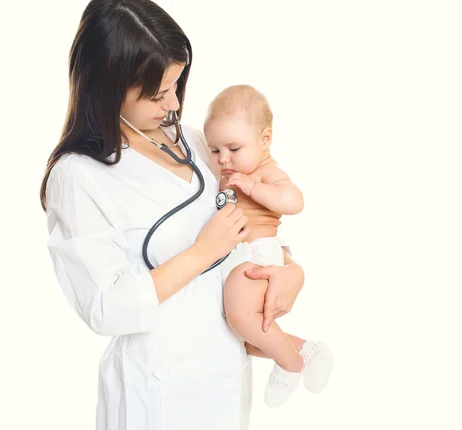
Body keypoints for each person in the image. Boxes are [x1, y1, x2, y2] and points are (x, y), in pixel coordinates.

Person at [40, 1, 305, 429]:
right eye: (156, 93)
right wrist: (201, 253)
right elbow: (104, 308)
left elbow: (248, 223)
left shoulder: (197, 143)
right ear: (108, 87)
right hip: (156, 391)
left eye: (176, 85)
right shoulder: (80, 176)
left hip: (224, 376)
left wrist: (289, 270)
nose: (173, 103)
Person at [203, 85, 334, 407]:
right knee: (238, 335)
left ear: (265, 140)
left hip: (257, 254)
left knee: (241, 321)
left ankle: (290, 363)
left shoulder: (265, 171)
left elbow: (294, 201)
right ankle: (305, 349)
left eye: (233, 148)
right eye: (215, 150)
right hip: (233, 257)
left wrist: (254, 187)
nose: (223, 159)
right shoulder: (227, 169)